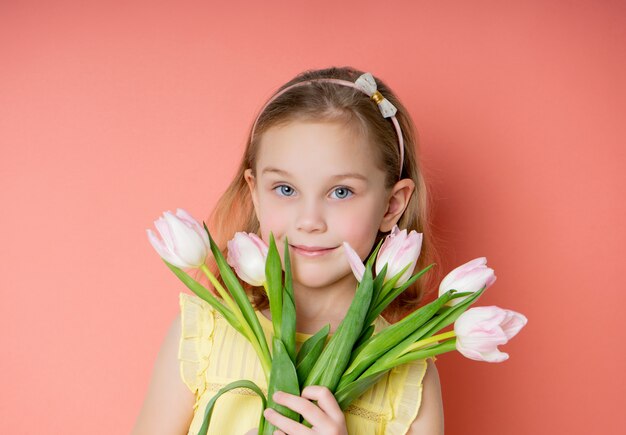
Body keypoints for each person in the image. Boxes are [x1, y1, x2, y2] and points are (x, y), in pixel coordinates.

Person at [133, 66, 445, 434]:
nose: (309, 220)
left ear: (392, 206)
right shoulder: (203, 335)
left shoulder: (407, 369)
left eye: (341, 192)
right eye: (285, 189)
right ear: (255, 193)